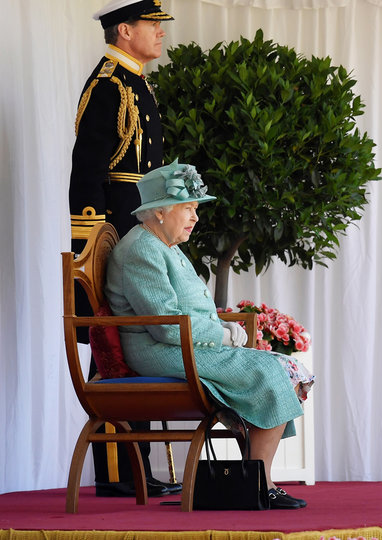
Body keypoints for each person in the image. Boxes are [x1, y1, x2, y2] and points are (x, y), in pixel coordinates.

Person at [104, 161, 314, 510]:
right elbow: (166, 324)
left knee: (285, 367)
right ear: (159, 212)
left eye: (194, 209)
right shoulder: (142, 249)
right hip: (161, 348)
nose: (195, 217)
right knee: (271, 371)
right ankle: (262, 484)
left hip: (184, 343)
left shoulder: (163, 244)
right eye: (188, 209)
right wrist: (225, 335)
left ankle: (255, 482)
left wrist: (222, 331)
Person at [68, 0, 177, 497]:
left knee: (135, 347)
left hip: (138, 230)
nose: (160, 35)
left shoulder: (134, 81)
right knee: (112, 351)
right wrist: (93, 247)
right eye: (152, 27)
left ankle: (136, 471)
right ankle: (117, 474)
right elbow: (87, 171)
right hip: (112, 234)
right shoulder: (109, 84)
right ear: (125, 31)